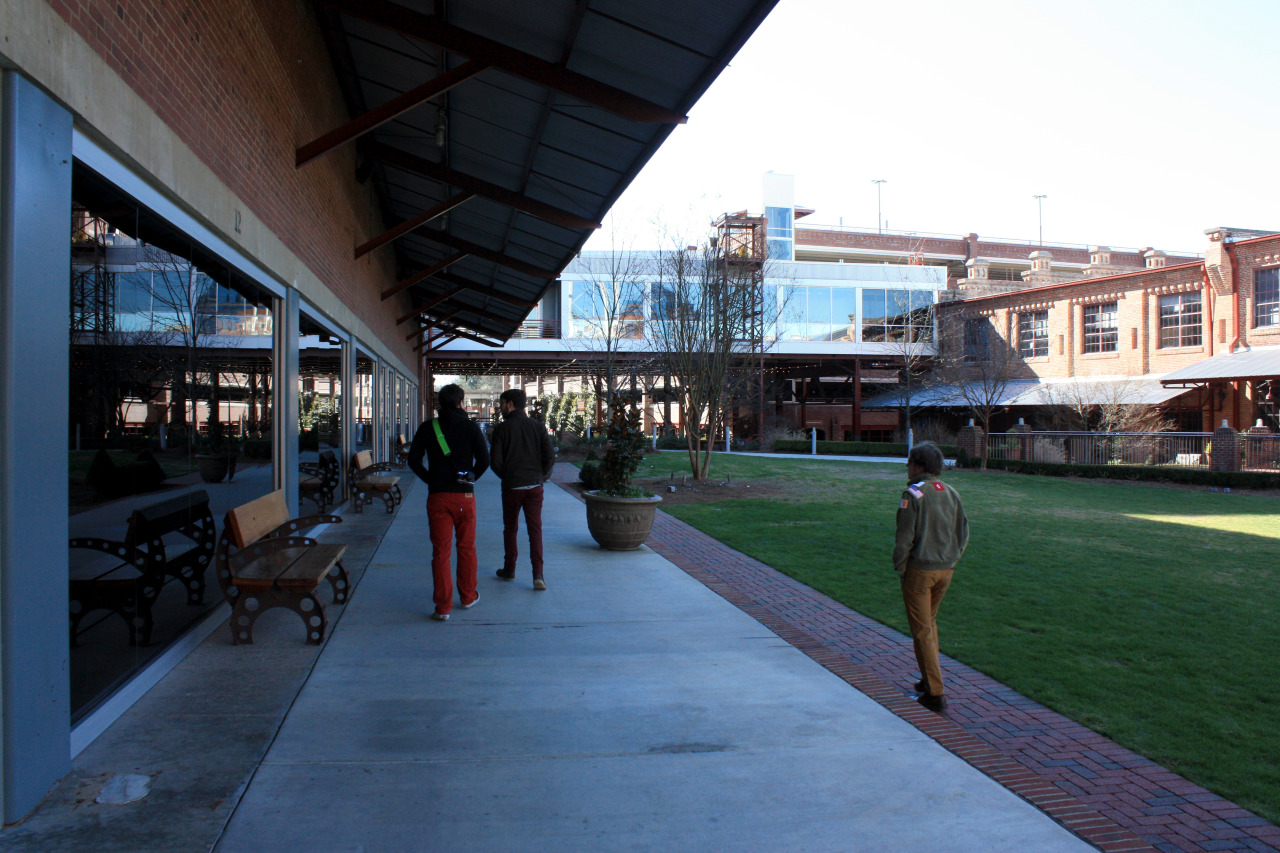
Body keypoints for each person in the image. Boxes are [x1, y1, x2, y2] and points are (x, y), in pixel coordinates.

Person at [894, 441, 969, 712]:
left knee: (922, 630)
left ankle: (935, 693)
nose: (907, 466)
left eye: (910, 462)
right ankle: (928, 679)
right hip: (945, 570)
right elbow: (964, 531)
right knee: (930, 624)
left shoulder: (913, 493)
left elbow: (904, 536)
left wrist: (900, 566)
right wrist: (954, 558)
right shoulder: (950, 492)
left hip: (920, 571)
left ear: (920, 466)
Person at [407, 384, 490, 621]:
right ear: (460, 402)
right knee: (466, 548)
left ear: (440, 403)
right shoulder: (471, 427)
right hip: (465, 497)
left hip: (438, 497)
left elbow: (413, 461)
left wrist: (431, 480)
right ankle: (468, 596)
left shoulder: (427, 427)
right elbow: (485, 460)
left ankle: (443, 607)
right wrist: (471, 476)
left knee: (440, 552)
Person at [489, 389, 555, 590]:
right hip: (535, 486)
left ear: (510, 404)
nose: (499, 408)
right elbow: (550, 457)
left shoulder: (502, 429)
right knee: (535, 530)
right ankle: (538, 575)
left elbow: (495, 462)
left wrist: (508, 477)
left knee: (510, 529)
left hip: (512, 487)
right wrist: (541, 477)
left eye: (501, 404)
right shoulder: (538, 426)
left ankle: (509, 569)